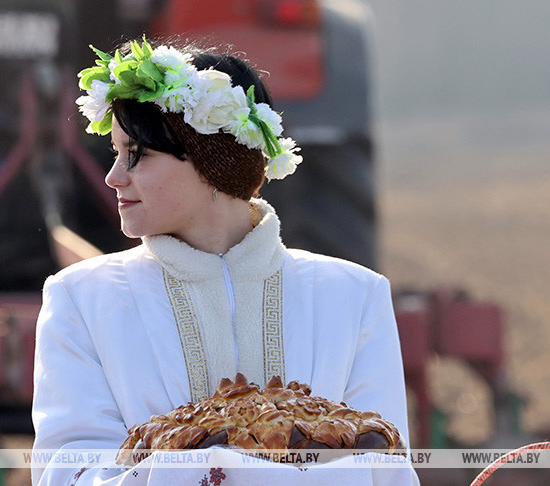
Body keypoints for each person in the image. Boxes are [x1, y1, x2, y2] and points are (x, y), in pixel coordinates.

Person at [31, 38, 417, 486]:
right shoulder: (80, 300)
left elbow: (388, 471)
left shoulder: (354, 296)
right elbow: (70, 474)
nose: (114, 177)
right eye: (116, 152)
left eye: (138, 154)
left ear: (212, 161)